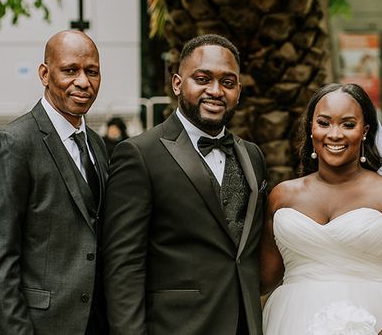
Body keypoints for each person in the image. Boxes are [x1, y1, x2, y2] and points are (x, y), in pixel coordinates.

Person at [103, 34, 267, 335]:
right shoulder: (140, 154)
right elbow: (123, 265)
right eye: (202, 79)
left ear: (239, 91)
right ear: (178, 83)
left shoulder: (252, 155)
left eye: (227, 83)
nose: (215, 91)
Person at [260, 83, 382, 335]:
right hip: (291, 322)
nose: (334, 134)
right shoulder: (282, 196)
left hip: (378, 320)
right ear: (311, 128)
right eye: (324, 123)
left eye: (347, 124)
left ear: (364, 131)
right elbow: (262, 279)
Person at [0, 29, 108, 334]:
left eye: (92, 72)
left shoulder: (97, 146)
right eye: (70, 70)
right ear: (45, 74)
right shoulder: (11, 144)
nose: (83, 82)